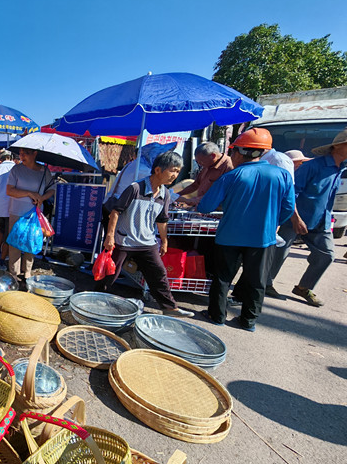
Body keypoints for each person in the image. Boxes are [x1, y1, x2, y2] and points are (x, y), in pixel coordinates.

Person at [198, 128, 295, 331]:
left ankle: (217, 316)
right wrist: (270, 223)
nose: (232, 156)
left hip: (229, 237)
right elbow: (287, 209)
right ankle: (248, 321)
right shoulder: (283, 176)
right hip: (263, 238)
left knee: (223, 278)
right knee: (256, 280)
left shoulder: (232, 176)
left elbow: (205, 206)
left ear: (241, 152)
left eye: (233, 152)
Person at [97, 151, 194, 318]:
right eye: (173, 170)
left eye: (178, 171)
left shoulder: (166, 194)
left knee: (158, 273)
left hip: (147, 241)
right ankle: (95, 299)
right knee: (111, 272)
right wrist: (110, 236)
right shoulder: (135, 188)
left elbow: (162, 220)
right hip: (125, 239)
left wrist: (164, 241)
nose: (175, 175)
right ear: (158, 170)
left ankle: (169, 308)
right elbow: (115, 212)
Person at [264, 129, 347, 306]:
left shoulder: (341, 168)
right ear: (339, 146)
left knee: (327, 254)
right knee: (280, 250)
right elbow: (291, 193)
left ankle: (304, 287)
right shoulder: (312, 166)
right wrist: (296, 218)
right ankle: (265, 284)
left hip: (320, 220)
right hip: (294, 217)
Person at [6, 146, 54, 279]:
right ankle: (13, 273)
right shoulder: (16, 169)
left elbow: (52, 189)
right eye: (20, 154)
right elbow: (9, 191)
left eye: (25, 154)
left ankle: (27, 272)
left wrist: (41, 198)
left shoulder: (44, 171)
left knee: (31, 241)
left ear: (34, 153)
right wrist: (29, 193)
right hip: (17, 211)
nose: (22, 157)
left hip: (35, 213)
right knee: (15, 243)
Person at [176, 142, 233, 206]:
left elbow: (224, 192)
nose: (200, 164)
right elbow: (195, 185)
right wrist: (177, 196)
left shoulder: (230, 167)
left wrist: (198, 199)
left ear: (213, 156)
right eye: (198, 162)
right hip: (203, 207)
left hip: (217, 210)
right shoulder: (207, 164)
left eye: (201, 162)